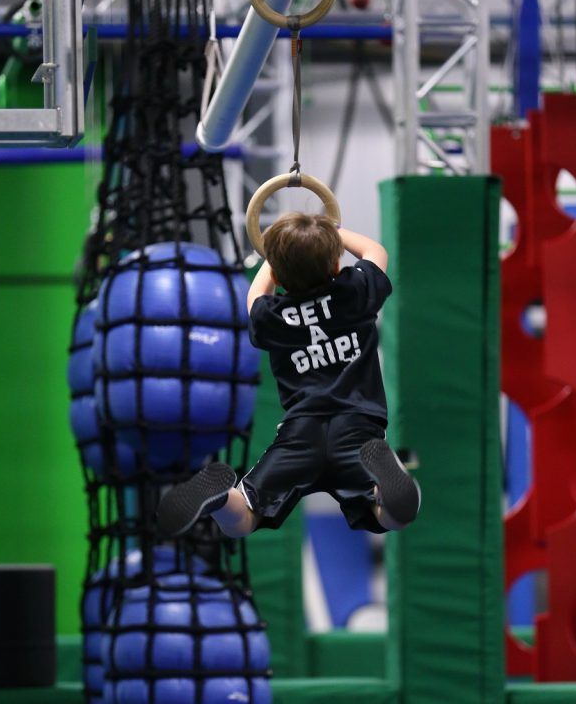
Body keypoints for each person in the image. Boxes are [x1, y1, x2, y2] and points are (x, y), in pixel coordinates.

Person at [158, 212, 420, 539]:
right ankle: (386, 491)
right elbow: (375, 251)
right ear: (335, 264)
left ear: (278, 277)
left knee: (246, 517)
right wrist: (332, 230)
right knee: (388, 519)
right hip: (358, 431)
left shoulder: (270, 316)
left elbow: (255, 296)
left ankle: (222, 499)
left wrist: (277, 255)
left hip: (300, 434)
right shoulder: (354, 292)